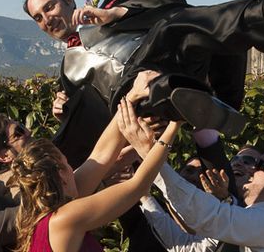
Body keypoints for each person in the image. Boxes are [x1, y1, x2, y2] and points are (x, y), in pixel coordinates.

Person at [23, 0, 264, 167]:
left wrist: (116, 14)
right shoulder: (67, 73)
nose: (47, 18)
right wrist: (66, 111)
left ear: (69, 0)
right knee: (164, 54)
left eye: (50, 7)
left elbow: (172, 0)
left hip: (169, 57)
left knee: (179, 26)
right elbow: (92, 125)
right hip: (137, 101)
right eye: (38, 17)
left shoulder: (117, 0)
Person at [11, 97, 181, 252]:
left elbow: (100, 157)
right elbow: (138, 186)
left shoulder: (41, 222)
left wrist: (132, 97)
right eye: (67, 164)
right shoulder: (65, 218)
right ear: (60, 174)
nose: (73, 169)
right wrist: (175, 124)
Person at [130, 134, 264, 252]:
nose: (251, 170)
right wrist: (145, 196)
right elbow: (187, 247)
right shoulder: (252, 220)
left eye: (260, 166)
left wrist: (152, 157)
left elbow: (207, 216)